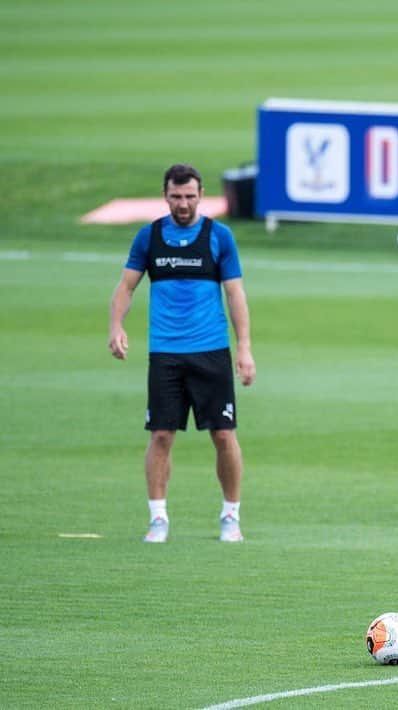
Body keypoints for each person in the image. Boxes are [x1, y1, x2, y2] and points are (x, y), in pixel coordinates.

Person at [109, 163, 255, 544]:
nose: (184, 203)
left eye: (190, 196)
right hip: (166, 354)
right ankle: (158, 519)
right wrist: (116, 326)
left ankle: (230, 516)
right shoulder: (150, 237)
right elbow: (126, 287)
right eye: (176, 197)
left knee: (224, 435)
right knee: (160, 435)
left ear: (201, 195)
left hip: (211, 352)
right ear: (166, 196)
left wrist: (244, 349)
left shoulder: (219, 237)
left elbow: (235, 294)